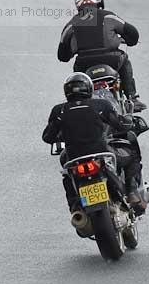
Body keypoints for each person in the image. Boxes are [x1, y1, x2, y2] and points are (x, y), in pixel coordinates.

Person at [42, 72, 143, 211]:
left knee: (66, 172)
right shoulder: (101, 105)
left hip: (73, 157)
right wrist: (129, 120)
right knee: (132, 154)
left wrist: (63, 134)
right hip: (102, 152)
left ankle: (75, 207)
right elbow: (120, 125)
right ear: (89, 89)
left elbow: (47, 137)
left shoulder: (59, 110)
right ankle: (131, 192)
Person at [57, 0, 146, 111]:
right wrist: (130, 41)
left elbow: (62, 55)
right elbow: (132, 33)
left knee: (77, 75)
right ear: (98, 1)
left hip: (84, 64)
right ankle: (132, 97)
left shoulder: (71, 24)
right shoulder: (109, 16)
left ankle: (79, 104)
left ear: (77, 5)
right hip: (113, 60)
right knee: (124, 60)